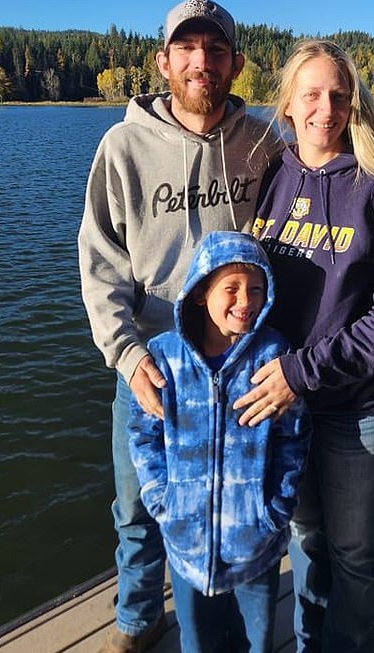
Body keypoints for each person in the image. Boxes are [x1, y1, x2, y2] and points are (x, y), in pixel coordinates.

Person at [234, 39, 374, 652]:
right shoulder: (270, 176)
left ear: (355, 103)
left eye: (338, 94)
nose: (324, 108)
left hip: (359, 412)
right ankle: (310, 642)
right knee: (306, 537)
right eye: (311, 94)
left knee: (353, 550)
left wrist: (299, 373)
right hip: (287, 403)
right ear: (287, 105)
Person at [78, 0, 282, 653]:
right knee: (137, 507)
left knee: (237, 501)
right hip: (155, 357)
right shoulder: (122, 146)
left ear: (235, 62)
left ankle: (236, 624)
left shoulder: (262, 145)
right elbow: (100, 263)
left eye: (216, 49)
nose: (202, 61)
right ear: (163, 61)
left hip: (240, 357)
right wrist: (129, 355)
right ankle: (139, 617)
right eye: (187, 49)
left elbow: (289, 244)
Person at [128, 230, 310, 652]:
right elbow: (143, 435)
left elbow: (293, 438)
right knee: (198, 641)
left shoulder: (273, 357)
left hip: (255, 545)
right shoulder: (164, 358)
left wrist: (275, 510)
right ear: (198, 293)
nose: (245, 301)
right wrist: (161, 501)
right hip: (187, 545)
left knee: (255, 640)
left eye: (256, 289)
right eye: (230, 289)